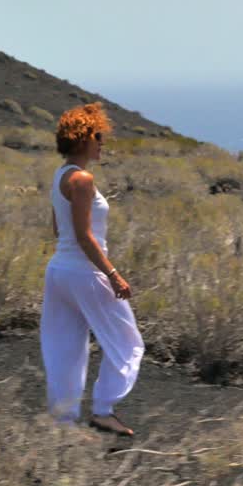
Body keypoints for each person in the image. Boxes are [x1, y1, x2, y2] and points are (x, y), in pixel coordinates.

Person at [41, 102, 145, 437]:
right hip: (86, 274)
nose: (102, 143)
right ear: (83, 138)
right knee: (128, 343)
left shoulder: (60, 176)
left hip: (59, 272)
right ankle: (103, 410)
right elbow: (85, 237)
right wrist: (113, 275)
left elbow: (59, 230)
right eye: (97, 136)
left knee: (64, 347)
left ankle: (63, 422)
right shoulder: (83, 180)